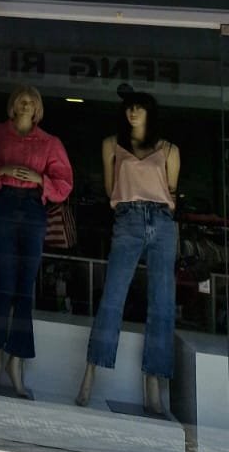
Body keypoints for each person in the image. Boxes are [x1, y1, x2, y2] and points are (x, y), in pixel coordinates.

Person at [76, 93, 179, 416]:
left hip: (162, 221)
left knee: (162, 303)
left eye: (139, 107)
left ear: (150, 111)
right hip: (128, 218)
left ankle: (153, 384)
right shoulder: (112, 145)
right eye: (129, 107)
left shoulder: (169, 149)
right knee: (112, 296)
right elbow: (111, 189)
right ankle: (90, 373)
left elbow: (171, 192)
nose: (133, 112)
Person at [0, 84, 74, 398]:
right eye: (21, 99)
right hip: (2, 206)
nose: (26, 104)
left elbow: (64, 184)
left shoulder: (49, 143)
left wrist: (39, 179)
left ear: (38, 109)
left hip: (33, 208)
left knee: (24, 288)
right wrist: (1, 170)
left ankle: (15, 363)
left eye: (32, 101)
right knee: (4, 285)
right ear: (12, 104)